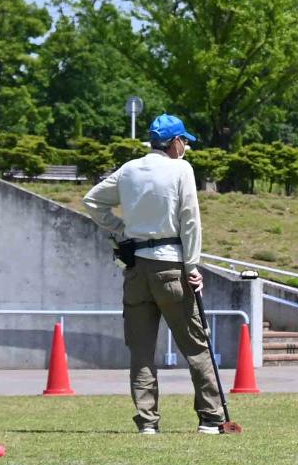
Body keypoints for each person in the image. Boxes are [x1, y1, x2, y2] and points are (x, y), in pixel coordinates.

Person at [83, 114, 230, 436]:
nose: (187, 147)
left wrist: (121, 229)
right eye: (185, 141)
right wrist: (193, 266)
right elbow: (190, 220)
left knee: (141, 350)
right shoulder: (181, 169)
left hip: (136, 268)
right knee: (195, 345)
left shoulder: (129, 169)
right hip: (172, 266)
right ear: (175, 142)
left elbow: (92, 201)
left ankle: (147, 422)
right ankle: (211, 418)